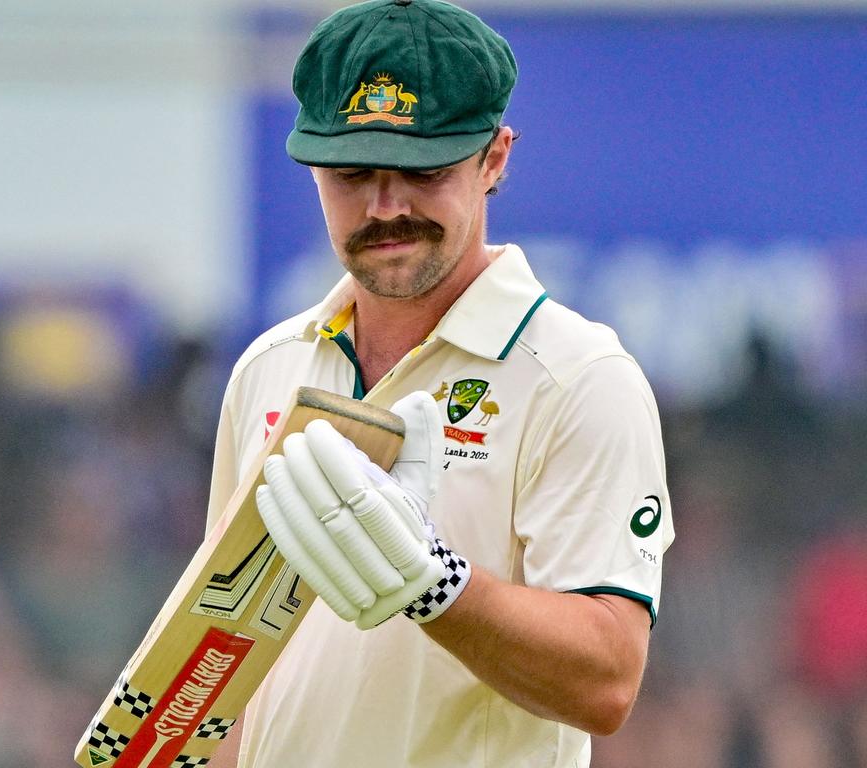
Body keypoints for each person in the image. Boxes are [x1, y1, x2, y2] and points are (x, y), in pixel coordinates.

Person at [205, 1, 674, 766]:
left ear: (495, 158)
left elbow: (607, 680)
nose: (385, 206)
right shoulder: (270, 366)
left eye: (423, 170)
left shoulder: (578, 377)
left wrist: (434, 585)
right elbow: (228, 654)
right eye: (353, 173)